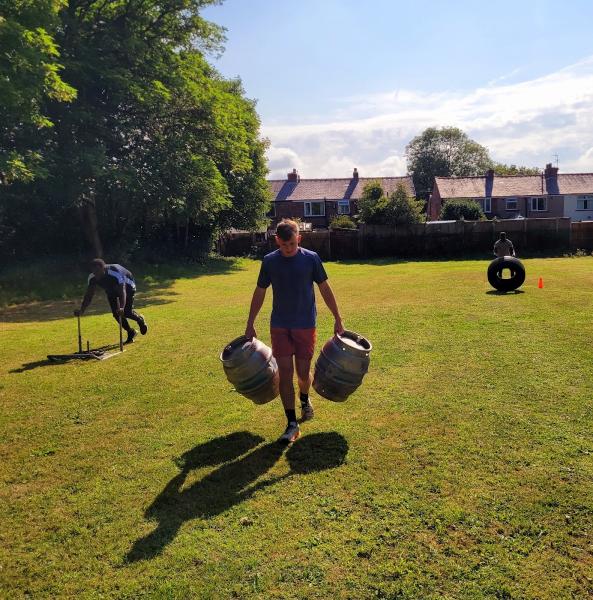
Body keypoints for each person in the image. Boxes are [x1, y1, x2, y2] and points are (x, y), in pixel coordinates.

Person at [245, 219, 345, 444]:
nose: (288, 249)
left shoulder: (311, 259)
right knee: (285, 374)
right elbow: (259, 292)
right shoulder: (270, 262)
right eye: (283, 245)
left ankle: (304, 397)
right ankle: (291, 423)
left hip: (305, 325)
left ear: (298, 239)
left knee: (302, 374)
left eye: (291, 244)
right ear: (277, 240)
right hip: (280, 325)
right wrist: (250, 322)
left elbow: (325, 289)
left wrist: (338, 318)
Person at [74, 258, 148, 344]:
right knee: (116, 314)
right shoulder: (92, 277)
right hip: (111, 290)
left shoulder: (115, 273)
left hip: (127, 286)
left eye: (98, 272)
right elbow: (89, 296)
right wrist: (82, 310)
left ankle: (140, 320)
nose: (96, 275)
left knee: (126, 312)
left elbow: (122, 292)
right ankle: (130, 332)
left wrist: (121, 307)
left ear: (103, 268)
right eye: (94, 272)